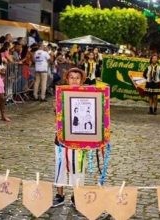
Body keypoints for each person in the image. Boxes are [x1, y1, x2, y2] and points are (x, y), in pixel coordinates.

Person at [53, 67, 87, 208]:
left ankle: (76, 195)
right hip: (62, 138)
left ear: (81, 81)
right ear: (67, 79)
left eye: (77, 78)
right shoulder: (61, 94)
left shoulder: (88, 96)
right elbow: (58, 116)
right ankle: (60, 195)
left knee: (78, 167)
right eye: (71, 77)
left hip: (81, 139)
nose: (74, 80)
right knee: (60, 166)